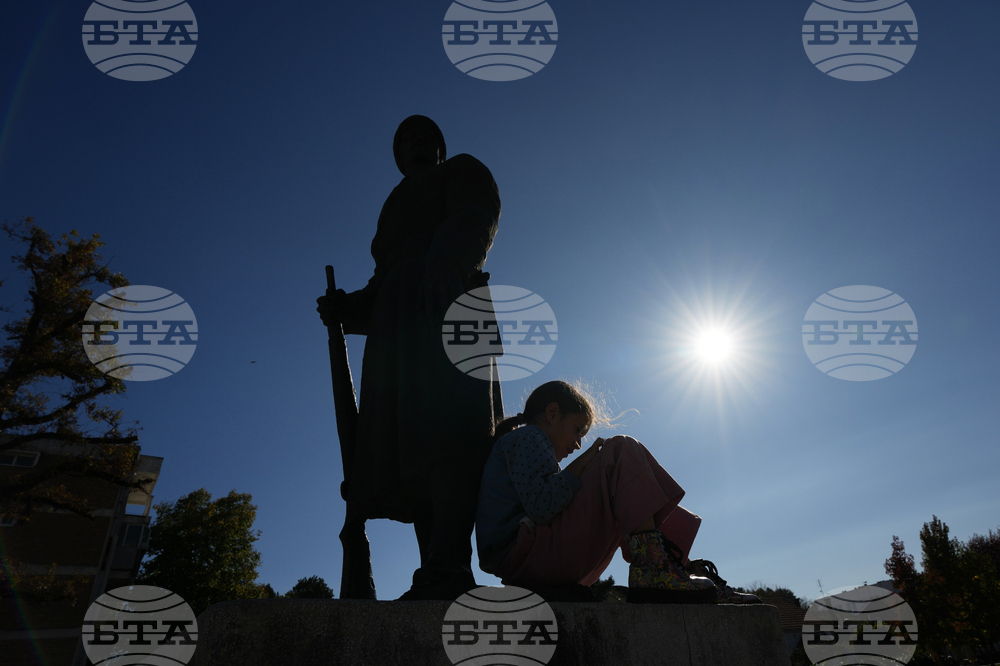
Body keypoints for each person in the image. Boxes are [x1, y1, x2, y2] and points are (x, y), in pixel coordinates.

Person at [317, 115, 503, 600]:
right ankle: (434, 570)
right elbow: (384, 281)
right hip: (398, 327)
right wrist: (348, 308)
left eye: (425, 138)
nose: (416, 145)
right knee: (411, 453)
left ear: (441, 147)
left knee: (454, 438)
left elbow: (474, 217)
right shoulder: (393, 207)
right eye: (406, 142)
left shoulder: (460, 170)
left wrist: (445, 261)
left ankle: (450, 567)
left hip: (449, 305)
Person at [476, 380, 761, 603]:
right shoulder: (529, 436)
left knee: (630, 489)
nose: (577, 445)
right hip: (528, 558)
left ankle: (675, 569)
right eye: (577, 431)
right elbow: (541, 505)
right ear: (552, 413)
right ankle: (655, 568)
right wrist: (587, 461)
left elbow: (542, 503)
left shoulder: (526, 442)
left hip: (536, 560)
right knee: (620, 449)